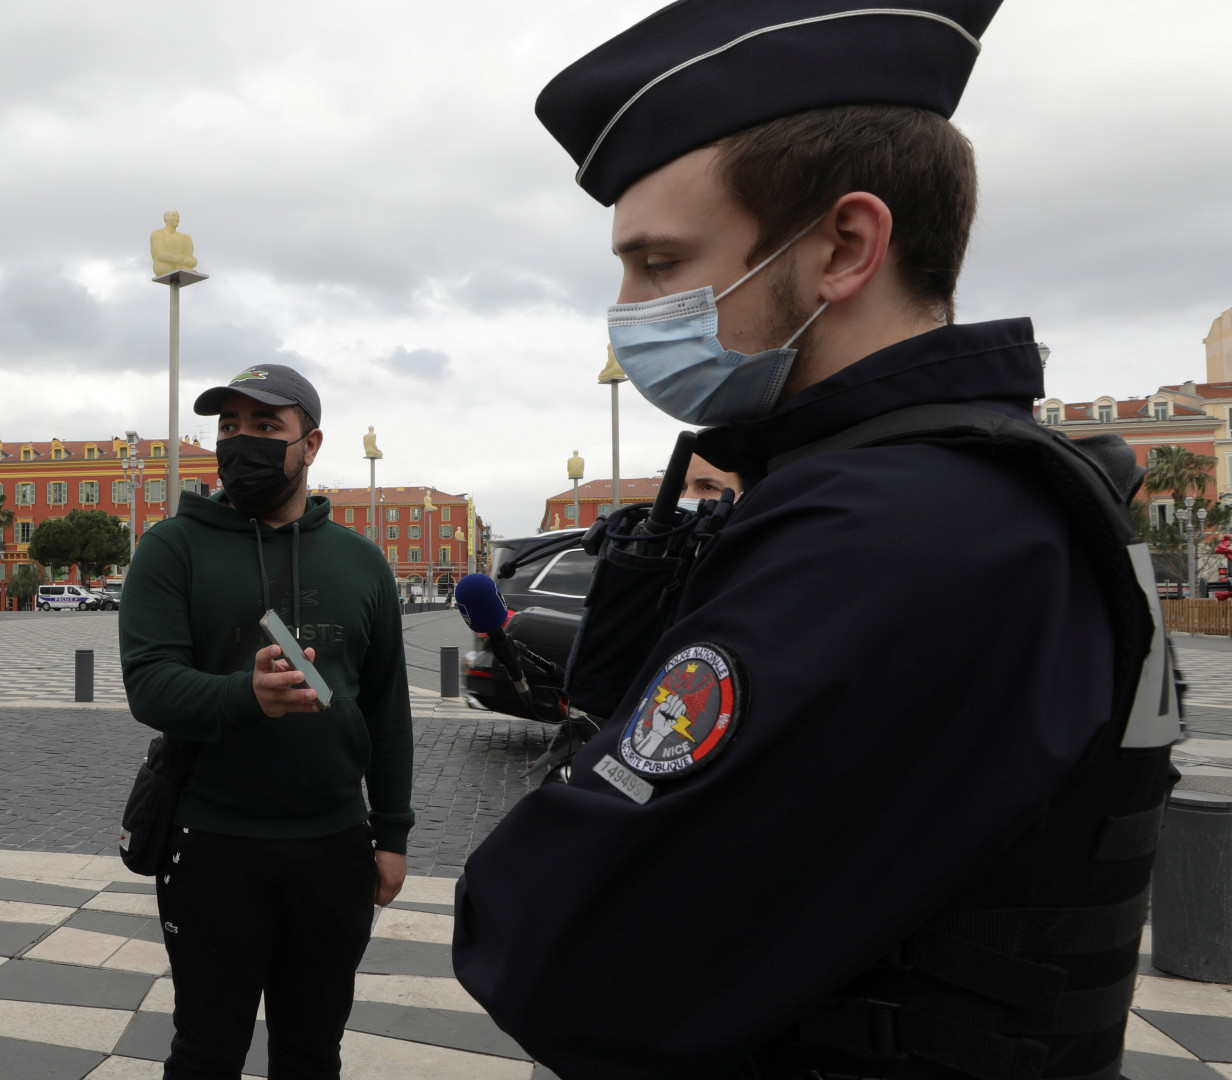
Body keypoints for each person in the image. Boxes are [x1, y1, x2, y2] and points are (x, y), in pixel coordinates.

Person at [454, 3, 1178, 1079]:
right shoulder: (1007, 486)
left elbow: (556, 948)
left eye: (658, 264)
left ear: (846, 246)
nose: (626, 310)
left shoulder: (886, 529)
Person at [119, 364, 415, 1079]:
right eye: (229, 427)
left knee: (313, 1052)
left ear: (310, 445)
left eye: (264, 427)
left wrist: (393, 833)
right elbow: (150, 687)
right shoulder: (171, 548)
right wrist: (244, 697)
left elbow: (386, 705)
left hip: (335, 848)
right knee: (206, 1051)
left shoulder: (362, 563)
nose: (239, 441)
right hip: (214, 844)